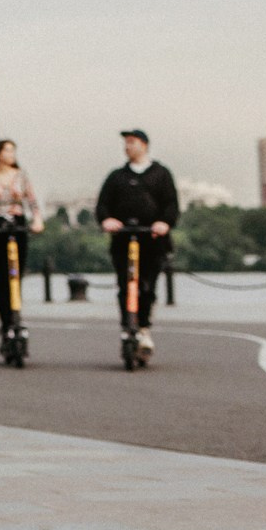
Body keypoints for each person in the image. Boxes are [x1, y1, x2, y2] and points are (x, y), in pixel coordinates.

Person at [95, 128, 178, 358]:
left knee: (147, 286)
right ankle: (127, 326)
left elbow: (171, 205)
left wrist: (164, 223)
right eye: (126, 143)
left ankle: (143, 328)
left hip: (151, 238)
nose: (127, 147)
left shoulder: (160, 174)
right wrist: (107, 220)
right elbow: (103, 205)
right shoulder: (116, 177)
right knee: (125, 285)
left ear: (144, 145)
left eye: (131, 142)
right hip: (123, 238)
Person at [0, 139, 44, 340]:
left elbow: (32, 200)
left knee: (16, 275)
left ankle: (16, 317)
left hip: (17, 223)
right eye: (8, 150)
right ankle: (6, 323)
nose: (12, 154)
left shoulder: (21, 175)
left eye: (13, 150)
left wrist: (37, 220)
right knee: (2, 276)